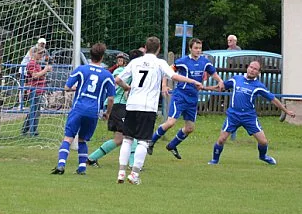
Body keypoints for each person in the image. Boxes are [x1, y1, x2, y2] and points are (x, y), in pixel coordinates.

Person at [115, 36, 203, 185]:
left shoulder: (135, 62)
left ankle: (121, 172)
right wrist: (193, 81)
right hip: (148, 107)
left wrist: (126, 87)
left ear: (145, 47)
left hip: (132, 105)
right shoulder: (159, 63)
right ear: (159, 49)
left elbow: (117, 79)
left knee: (128, 139)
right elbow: (174, 76)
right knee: (143, 141)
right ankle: (134, 174)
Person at [207, 60, 295, 165]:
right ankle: (214, 160)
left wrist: (286, 110)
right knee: (221, 139)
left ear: (258, 72)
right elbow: (220, 87)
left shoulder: (258, 86)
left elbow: (273, 99)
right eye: (251, 67)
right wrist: (204, 87)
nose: (252, 70)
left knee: (263, 142)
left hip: (249, 117)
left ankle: (263, 156)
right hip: (233, 115)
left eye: (255, 69)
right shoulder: (236, 79)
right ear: (247, 68)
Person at [148, 38, 224, 159]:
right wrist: (164, 85)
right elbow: (167, 72)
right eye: (196, 48)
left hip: (193, 98)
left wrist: (219, 81)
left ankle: (172, 145)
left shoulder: (205, 62)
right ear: (190, 48)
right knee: (171, 122)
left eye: (200, 48)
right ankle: (151, 141)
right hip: (180, 96)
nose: (198, 50)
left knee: (189, 128)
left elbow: (213, 73)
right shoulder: (183, 61)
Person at [51, 43, 116, 175]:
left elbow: (67, 87)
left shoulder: (81, 69)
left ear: (90, 56)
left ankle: (61, 165)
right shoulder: (107, 75)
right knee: (83, 139)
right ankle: (82, 168)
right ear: (102, 57)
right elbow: (110, 98)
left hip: (78, 108)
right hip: (93, 112)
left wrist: (77, 88)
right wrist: (107, 113)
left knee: (68, 138)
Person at [87, 49, 144, 168]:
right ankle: (133, 164)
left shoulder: (122, 70)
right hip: (118, 106)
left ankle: (92, 158)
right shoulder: (124, 71)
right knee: (130, 134)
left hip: (117, 106)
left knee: (118, 139)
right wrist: (128, 88)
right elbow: (120, 83)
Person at [21, 45, 52, 136]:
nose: (41, 55)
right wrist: (45, 70)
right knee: (35, 112)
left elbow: (40, 74)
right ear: (33, 54)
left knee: (34, 111)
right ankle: (32, 131)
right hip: (35, 90)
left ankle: (26, 130)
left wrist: (47, 69)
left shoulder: (37, 64)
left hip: (39, 90)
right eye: (39, 53)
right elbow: (35, 75)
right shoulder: (31, 64)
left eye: (42, 53)